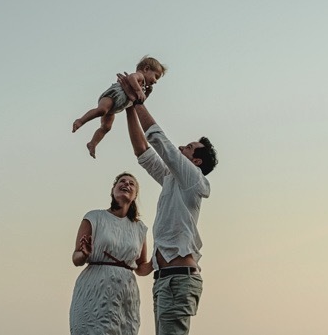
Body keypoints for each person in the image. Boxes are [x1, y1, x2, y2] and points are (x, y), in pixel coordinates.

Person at [119, 72, 217, 335]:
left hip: (178, 280)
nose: (181, 148)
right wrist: (129, 107)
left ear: (196, 162)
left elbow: (161, 143)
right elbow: (143, 151)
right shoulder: (172, 180)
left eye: (187, 147)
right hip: (164, 280)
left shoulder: (192, 179)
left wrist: (139, 100)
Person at [69, 172, 154, 335]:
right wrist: (84, 254)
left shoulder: (139, 228)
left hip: (126, 294)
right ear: (113, 190)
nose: (126, 184)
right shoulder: (94, 217)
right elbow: (76, 258)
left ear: (135, 195)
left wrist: (157, 260)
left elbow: (141, 268)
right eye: (122, 181)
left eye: (131, 183)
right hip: (95, 287)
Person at [73, 56, 167, 158]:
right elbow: (131, 78)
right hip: (113, 96)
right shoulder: (139, 76)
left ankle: (92, 143)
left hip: (115, 108)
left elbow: (139, 101)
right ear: (146, 69)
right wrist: (139, 90)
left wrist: (146, 94)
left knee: (106, 127)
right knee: (101, 110)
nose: (156, 81)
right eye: (156, 76)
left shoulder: (143, 86)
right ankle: (80, 121)